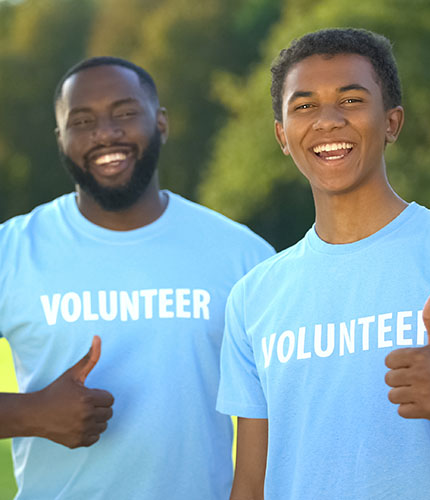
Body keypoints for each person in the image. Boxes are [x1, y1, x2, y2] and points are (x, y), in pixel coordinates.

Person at [216, 28, 430, 499]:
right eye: (304, 106)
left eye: (350, 100)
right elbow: (251, 484)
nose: (327, 121)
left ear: (392, 122)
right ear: (282, 136)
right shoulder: (254, 296)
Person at [0, 56, 274, 500]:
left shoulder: (243, 255)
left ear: (160, 123)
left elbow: (294, 405)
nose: (105, 133)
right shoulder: (11, 252)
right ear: (61, 138)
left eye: (125, 113)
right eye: (82, 120)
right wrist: (28, 413)